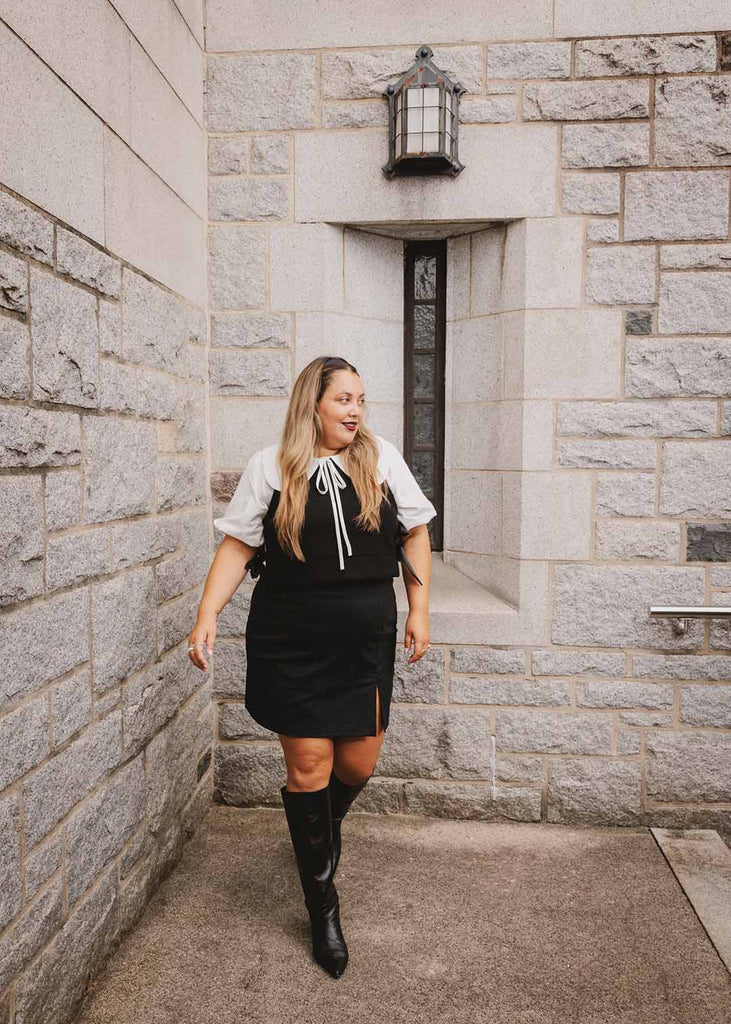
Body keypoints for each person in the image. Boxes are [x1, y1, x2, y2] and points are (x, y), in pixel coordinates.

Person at [188, 355, 437, 979]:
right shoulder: (271, 466)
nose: (355, 410)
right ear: (314, 404)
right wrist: (207, 613)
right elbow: (239, 545)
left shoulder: (381, 460)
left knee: (358, 762)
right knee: (309, 765)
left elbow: (414, 532)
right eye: (343, 400)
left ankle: (316, 835)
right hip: (291, 640)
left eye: (360, 400)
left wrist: (420, 607)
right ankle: (322, 904)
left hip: (362, 643)